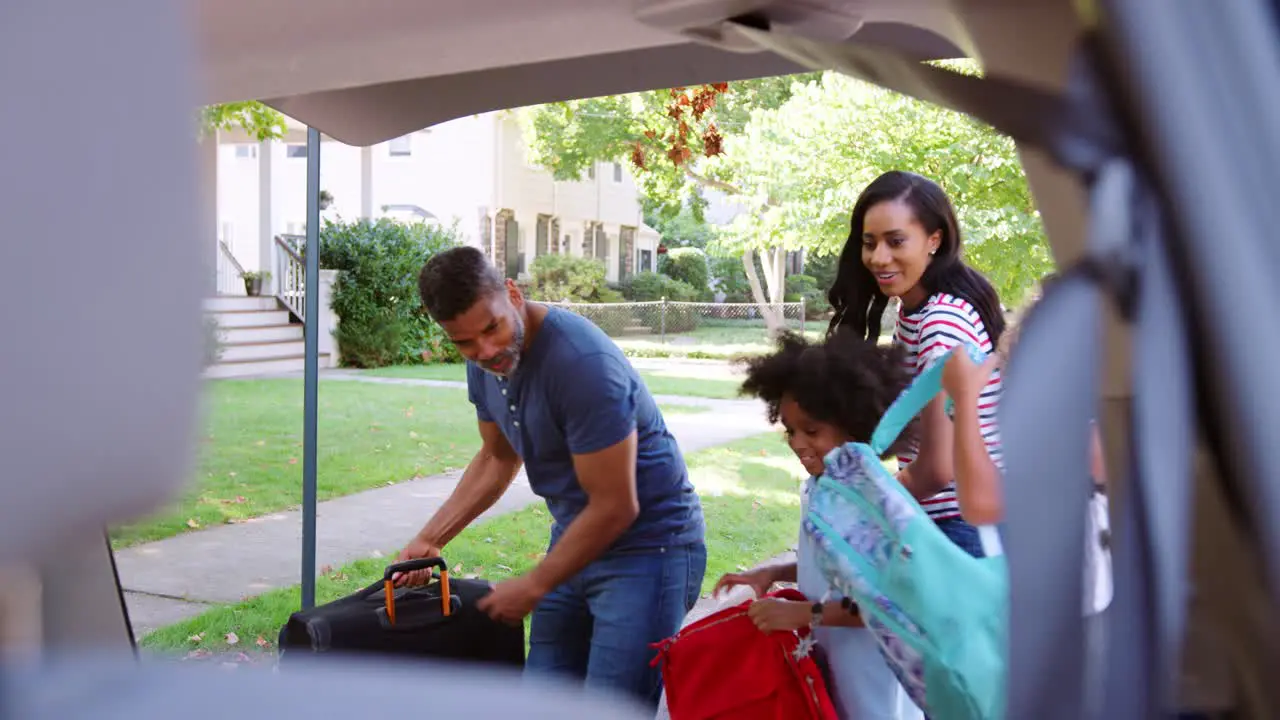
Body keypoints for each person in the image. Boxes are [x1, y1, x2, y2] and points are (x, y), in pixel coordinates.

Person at [397, 246, 706, 708]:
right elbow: (498, 457)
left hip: (649, 550)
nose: (486, 351)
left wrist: (536, 583)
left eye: (491, 328)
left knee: (609, 710)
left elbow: (616, 505)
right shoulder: (483, 362)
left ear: (513, 294)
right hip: (574, 541)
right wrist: (431, 538)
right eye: (464, 343)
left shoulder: (582, 366)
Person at [713, 330, 923, 720]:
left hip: (873, 678)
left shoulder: (873, 500)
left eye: (812, 431)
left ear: (858, 425)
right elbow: (835, 564)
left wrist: (803, 614)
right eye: (791, 430)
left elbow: (889, 602)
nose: (797, 443)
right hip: (833, 665)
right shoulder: (820, 486)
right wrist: (774, 571)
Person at [827, 170, 1006, 558]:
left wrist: (860, 513)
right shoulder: (917, 311)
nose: (878, 257)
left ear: (934, 240)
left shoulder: (941, 321)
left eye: (895, 241)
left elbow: (936, 468)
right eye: (869, 243)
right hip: (951, 523)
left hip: (963, 532)